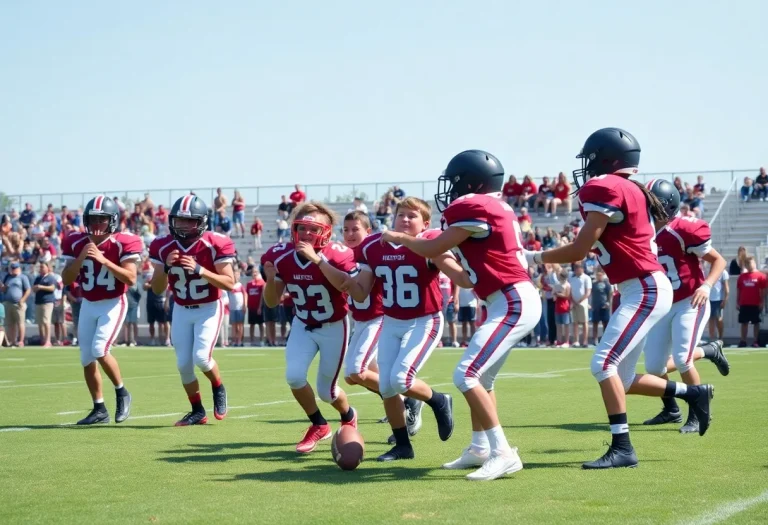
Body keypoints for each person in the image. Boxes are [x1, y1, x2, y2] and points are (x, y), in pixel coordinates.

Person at [524, 128, 714, 469]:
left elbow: (580, 249)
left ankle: (622, 447)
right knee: (622, 378)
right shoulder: (633, 189)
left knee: (602, 364)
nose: (587, 167)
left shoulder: (607, 186)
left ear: (607, 158)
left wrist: (534, 258)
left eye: (591, 158)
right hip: (642, 286)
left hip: (644, 286)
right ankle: (694, 393)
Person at [379, 151, 540, 480]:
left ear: (471, 182)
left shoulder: (472, 205)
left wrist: (398, 237)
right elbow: (464, 271)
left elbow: (430, 248)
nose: (449, 189)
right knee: (482, 378)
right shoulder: (495, 207)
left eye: (454, 181)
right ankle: (481, 447)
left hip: (511, 298)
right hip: (505, 297)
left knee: (465, 374)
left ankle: (503, 452)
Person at [344, 196, 471, 463]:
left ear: (425, 224)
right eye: (400, 214)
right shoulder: (373, 246)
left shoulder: (431, 242)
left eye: (412, 216)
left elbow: (457, 274)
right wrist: (336, 276)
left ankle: (438, 400)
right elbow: (361, 290)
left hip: (424, 320)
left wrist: (469, 275)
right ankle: (403, 445)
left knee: (402, 380)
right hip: (391, 321)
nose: (404, 219)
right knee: (388, 387)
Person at [260, 202, 359, 454]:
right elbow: (272, 301)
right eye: (301, 227)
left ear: (326, 231)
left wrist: (317, 260)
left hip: (334, 325)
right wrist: (271, 279)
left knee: (327, 392)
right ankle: (318, 424)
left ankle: (348, 415)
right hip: (302, 323)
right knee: (294, 376)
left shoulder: (340, 254)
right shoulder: (282, 255)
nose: (305, 233)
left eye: (312, 229)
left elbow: (346, 286)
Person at [642, 180, 731, 433]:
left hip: (690, 300)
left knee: (682, 359)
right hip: (664, 304)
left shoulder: (682, 229)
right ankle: (671, 409)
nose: (646, 209)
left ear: (665, 207)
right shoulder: (644, 232)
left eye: (651, 204)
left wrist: (706, 286)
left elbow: (719, 261)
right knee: (653, 367)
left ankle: (698, 412)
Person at [149, 194, 236, 426]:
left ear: (202, 222)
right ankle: (197, 410)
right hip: (181, 308)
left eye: (190, 221)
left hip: (208, 306)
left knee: (202, 358)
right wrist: (165, 266)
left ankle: (218, 386)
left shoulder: (215, 242)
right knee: (183, 365)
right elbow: (157, 288)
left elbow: (230, 283)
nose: (184, 226)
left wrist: (201, 271)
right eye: (180, 220)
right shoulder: (162, 245)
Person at [61, 196, 142, 425]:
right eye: (92, 219)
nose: (96, 224)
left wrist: (103, 260)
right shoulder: (76, 241)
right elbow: (67, 278)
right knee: (86, 358)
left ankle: (122, 392)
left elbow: (131, 278)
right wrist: (80, 258)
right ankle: (99, 408)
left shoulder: (123, 242)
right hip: (88, 303)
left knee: (99, 348)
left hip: (113, 302)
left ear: (112, 221)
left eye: (102, 219)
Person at [736, 256, 767, 347]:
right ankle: (743, 341)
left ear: (754, 263)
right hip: (744, 303)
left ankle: (755, 341)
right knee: (744, 323)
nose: (749, 265)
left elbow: (764, 290)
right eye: (747, 264)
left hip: (756, 303)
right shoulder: (742, 277)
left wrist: (762, 302)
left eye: (751, 263)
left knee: (756, 323)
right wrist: (737, 302)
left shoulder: (761, 276)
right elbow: (739, 290)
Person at [33, 261, 58, 347]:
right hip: (38, 301)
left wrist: (41, 287)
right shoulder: (38, 278)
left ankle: (48, 340)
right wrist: (36, 288)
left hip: (47, 302)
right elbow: (34, 288)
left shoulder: (51, 278)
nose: (41, 269)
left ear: (47, 268)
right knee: (40, 322)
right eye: (40, 267)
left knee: (46, 321)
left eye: (43, 267)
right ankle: (42, 339)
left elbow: (52, 288)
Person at [707, 261, 729, 341]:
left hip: (718, 299)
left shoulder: (723, 272)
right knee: (711, 319)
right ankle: (712, 339)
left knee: (719, 318)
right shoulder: (708, 271)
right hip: (708, 299)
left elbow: (726, 287)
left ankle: (720, 338)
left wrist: (725, 300)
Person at [246, 271, 266, 346]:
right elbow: (247, 294)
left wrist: (260, 307)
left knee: (261, 324)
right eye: (253, 273)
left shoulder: (262, 283)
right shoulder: (249, 284)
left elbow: (262, 296)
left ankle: (262, 340)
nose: (254, 274)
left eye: (256, 273)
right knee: (252, 324)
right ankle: (252, 340)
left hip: (259, 307)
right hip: (251, 307)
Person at [228, 268, 246, 347]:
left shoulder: (240, 285)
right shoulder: (230, 285)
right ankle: (234, 340)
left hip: (239, 308)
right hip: (232, 308)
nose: (235, 276)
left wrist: (244, 305)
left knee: (240, 325)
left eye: (237, 275)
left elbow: (245, 295)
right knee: (234, 325)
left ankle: (239, 340)